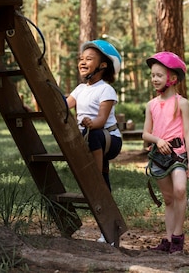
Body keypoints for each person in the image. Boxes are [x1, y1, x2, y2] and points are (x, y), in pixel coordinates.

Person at [66, 39, 123, 243]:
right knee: (104, 187)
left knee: (94, 136)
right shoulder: (80, 89)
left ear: (103, 65)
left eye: (89, 59)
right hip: (89, 139)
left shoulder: (105, 89)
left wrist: (92, 123)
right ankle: (109, 230)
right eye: (81, 58)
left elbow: (101, 119)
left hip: (108, 138)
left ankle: (95, 175)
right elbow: (64, 105)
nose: (82, 62)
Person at [141, 52, 189, 254]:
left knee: (180, 190)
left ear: (172, 78)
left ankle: (178, 237)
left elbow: (188, 132)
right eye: (153, 75)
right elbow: (146, 134)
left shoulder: (182, 103)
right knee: (168, 198)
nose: (154, 79)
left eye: (159, 75)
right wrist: (158, 140)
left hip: (178, 155)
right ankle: (167, 239)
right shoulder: (151, 105)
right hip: (158, 156)